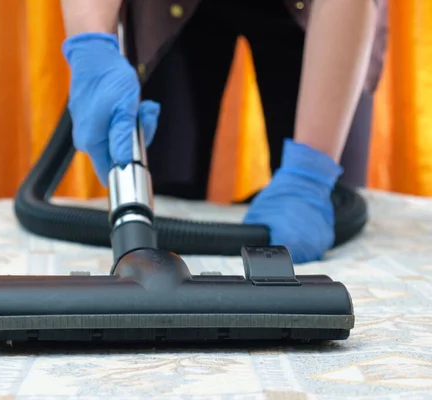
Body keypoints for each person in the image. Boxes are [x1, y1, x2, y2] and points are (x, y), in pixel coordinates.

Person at [59, 0, 387, 263]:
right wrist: (91, 43)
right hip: (172, 11)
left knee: (331, 204)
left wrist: (311, 171)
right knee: (165, 197)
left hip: (320, 11)